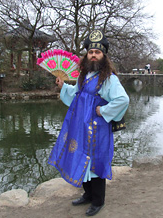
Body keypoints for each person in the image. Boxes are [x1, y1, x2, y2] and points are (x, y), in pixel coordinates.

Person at [48, 29, 129, 216]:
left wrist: (104, 110)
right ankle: (87, 194)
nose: (93, 55)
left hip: (97, 129)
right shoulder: (84, 75)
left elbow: (122, 100)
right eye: (91, 52)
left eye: (97, 52)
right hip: (80, 126)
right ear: (87, 55)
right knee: (80, 155)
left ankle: (98, 201)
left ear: (103, 56)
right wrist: (63, 86)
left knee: (96, 163)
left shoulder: (109, 79)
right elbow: (77, 93)